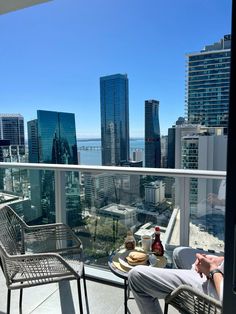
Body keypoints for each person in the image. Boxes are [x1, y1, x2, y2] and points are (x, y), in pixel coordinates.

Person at [128, 247, 224, 314]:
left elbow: (227, 300)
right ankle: (181, 300)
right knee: (178, 253)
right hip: (222, 272)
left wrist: (212, 269)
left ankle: (185, 300)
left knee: (135, 276)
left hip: (217, 288)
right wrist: (219, 261)